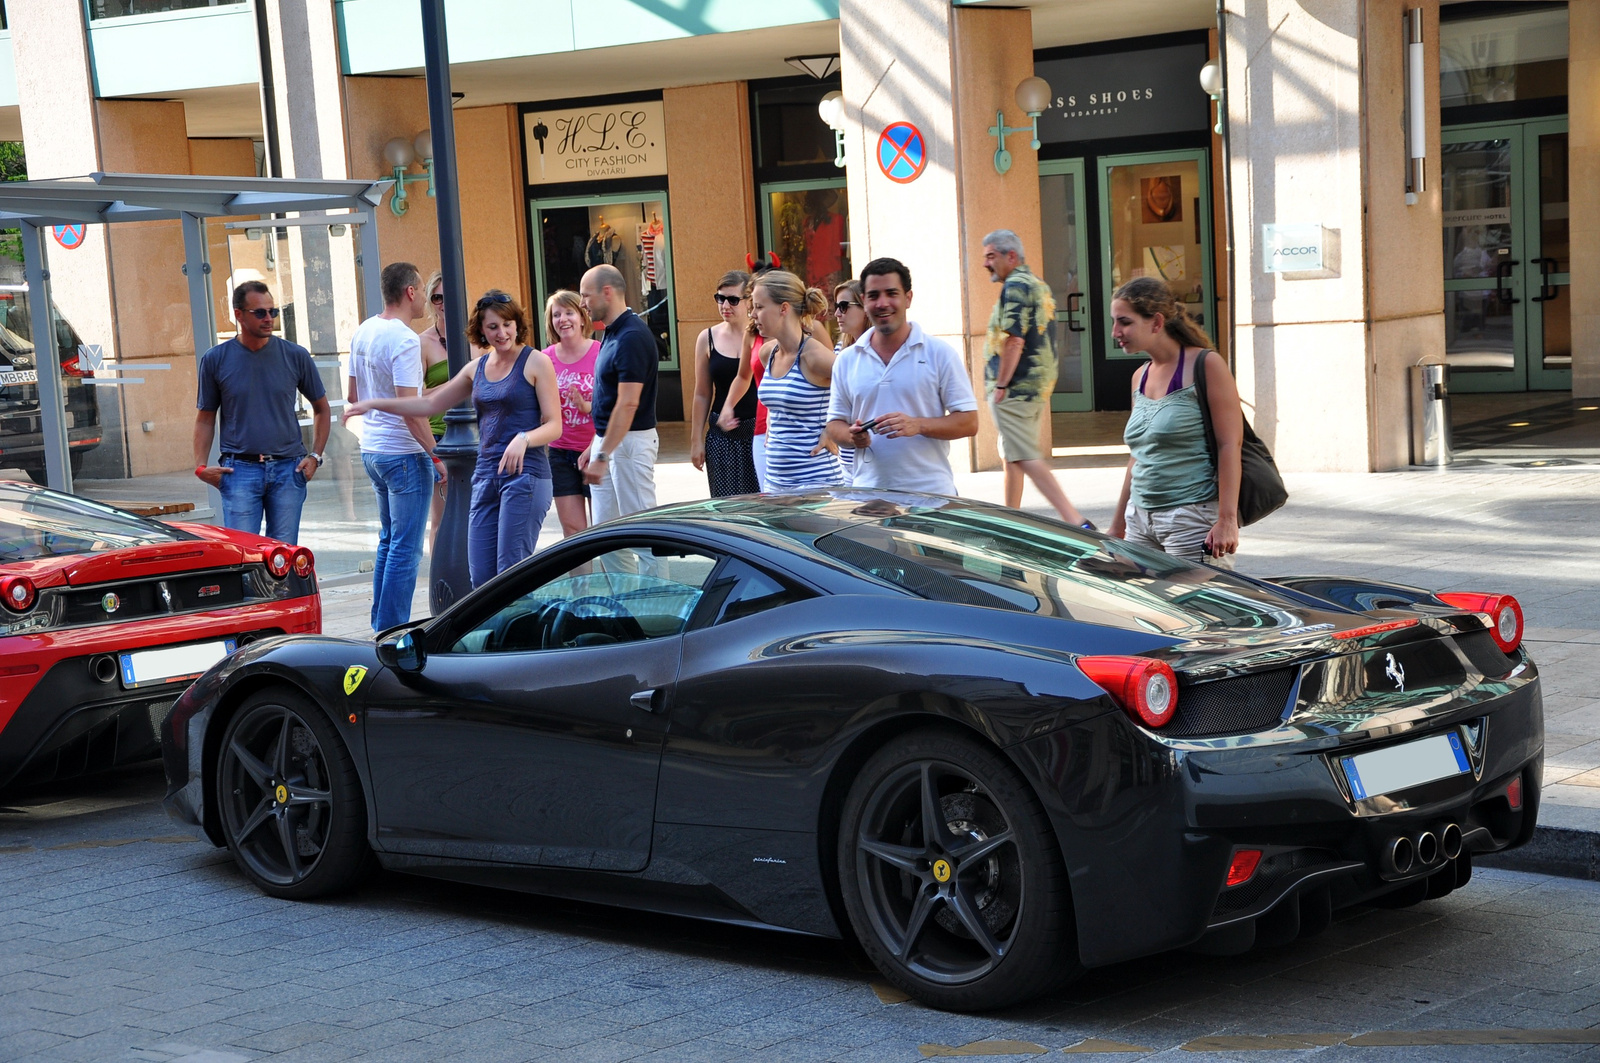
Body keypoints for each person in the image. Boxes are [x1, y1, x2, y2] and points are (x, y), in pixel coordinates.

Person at [347, 291, 561, 588]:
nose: (502, 333)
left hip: (525, 477)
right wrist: (373, 403)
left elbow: (554, 426)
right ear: (481, 331)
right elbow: (427, 404)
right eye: (493, 327)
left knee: (511, 575)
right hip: (486, 476)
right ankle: (491, 635)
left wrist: (524, 438)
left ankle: (518, 633)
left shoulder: (536, 362)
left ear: (517, 324)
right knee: (482, 580)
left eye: (508, 324)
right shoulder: (476, 369)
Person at [1106, 276, 1243, 568]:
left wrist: (1227, 520)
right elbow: (1138, 456)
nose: (1115, 331)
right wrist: (1118, 523)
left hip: (1190, 517)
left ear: (1156, 322)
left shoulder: (1206, 365)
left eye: (1125, 322)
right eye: (1114, 322)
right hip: (1139, 518)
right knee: (1138, 610)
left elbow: (1230, 444)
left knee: (1195, 609)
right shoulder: (1140, 376)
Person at [826, 258, 978, 495]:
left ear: (908, 298)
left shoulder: (939, 353)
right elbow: (834, 425)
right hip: (869, 497)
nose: (883, 303)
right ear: (864, 301)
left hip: (931, 498)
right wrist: (852, 436)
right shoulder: (846, 360)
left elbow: (969, 422)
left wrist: (917, 425)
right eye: (874, 295)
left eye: (892, 293)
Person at [194, 280, 330, 545]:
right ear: (238, 315)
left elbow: (322, 409)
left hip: (289, 469)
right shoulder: (215, 359)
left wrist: (315, 456)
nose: (269, 318)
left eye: (273, 311)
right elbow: (205, 418)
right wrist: (200, 467)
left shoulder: (295, 355)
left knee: (283, 555)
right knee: (244, 552)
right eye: (260, 312)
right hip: (239, 471)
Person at [347, 262, 438, 633]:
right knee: (406, 547)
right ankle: (393, 630)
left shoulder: (364, 330)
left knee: (388, 541)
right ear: (411, 292)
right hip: (403, 455)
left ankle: (380, 623)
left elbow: (354, 394)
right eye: (422, 290)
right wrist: (435, 453)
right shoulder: (404, 339)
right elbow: (410, 411)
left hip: (373, 450)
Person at [980, 230, 1093, 529]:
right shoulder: (1035, 284)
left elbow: (1014, 339)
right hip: (1034, 386)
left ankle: (1075, 519)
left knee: (1026, 456)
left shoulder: (1016, 285)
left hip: (1016, 387)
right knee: (1013, 455)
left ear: (1011, 256)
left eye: (991, 256)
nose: (986, 264)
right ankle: (1011, 518)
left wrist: (1002, 384)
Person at [720, 271, 842, 492]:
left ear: (783, 308)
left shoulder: (814, 356)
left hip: (815, 485)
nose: (753, 315)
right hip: (775, 482)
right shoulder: (768, 353)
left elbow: (862, 388)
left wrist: (834, 427)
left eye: (759, 307)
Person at [578, 264, 659, 523]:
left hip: (630, 443)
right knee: (606, 532)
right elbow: (610, 398)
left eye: (585, 295)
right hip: (610, 441)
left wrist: (602, 454)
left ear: (607, 292)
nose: (581, 303)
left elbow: (627, 404)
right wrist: (596, 445)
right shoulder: (613, 332)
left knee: (643, 533)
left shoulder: (632, 336)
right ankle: (619, 568)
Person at [690, 270, 760, 496]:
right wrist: (696, 440)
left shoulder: (763, 335)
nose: (725, 305)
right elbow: (702, 393)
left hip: (757, 432)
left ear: (749, 301)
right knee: (726, 509)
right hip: (722, 437)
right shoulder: (707, 338)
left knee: (763, 508)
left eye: (733, 299)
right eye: (720, 298)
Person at [544, 290, 599, 537]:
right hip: (560, 452)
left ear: (582, 317)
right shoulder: (545, 359)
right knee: (574, 531)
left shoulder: (601, 351)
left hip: (596, 448)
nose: (563, 319)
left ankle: (611, 577)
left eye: (569, 312)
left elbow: (617, 401)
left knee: (603, 529)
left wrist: (587, 405)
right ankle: (581, 579)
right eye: (557, 314)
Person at [420, 271, 452, 548]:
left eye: (447, 295)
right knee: (441, 520)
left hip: (478, 435)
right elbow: (415, 397)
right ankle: (441, 587)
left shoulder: (477, 338)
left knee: (477, 516)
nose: (443, 302)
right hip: (440, 436)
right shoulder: (423, 342)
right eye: (436, 297)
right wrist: (454, 386)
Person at [831, 279, 867, 483]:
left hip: (875, 459)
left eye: (844, 307)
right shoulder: (840, 352)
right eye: (837, 307)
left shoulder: (882, 353)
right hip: (846, 460)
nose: (837, 314)